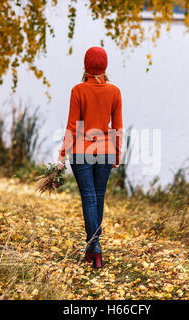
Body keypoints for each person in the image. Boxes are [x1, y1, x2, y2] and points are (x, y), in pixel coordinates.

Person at [57, 46, 123, 268]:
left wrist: (62, 154)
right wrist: (117, 153)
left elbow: (72, 127)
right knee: (99, 196)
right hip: (105, 151)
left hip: (81, 152)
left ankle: (94, 244)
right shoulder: (115, 92)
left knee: (88, 197)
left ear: (86, 66)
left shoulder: (78, 90)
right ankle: (94, 246)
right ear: (105, 66)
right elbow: (118, 128)